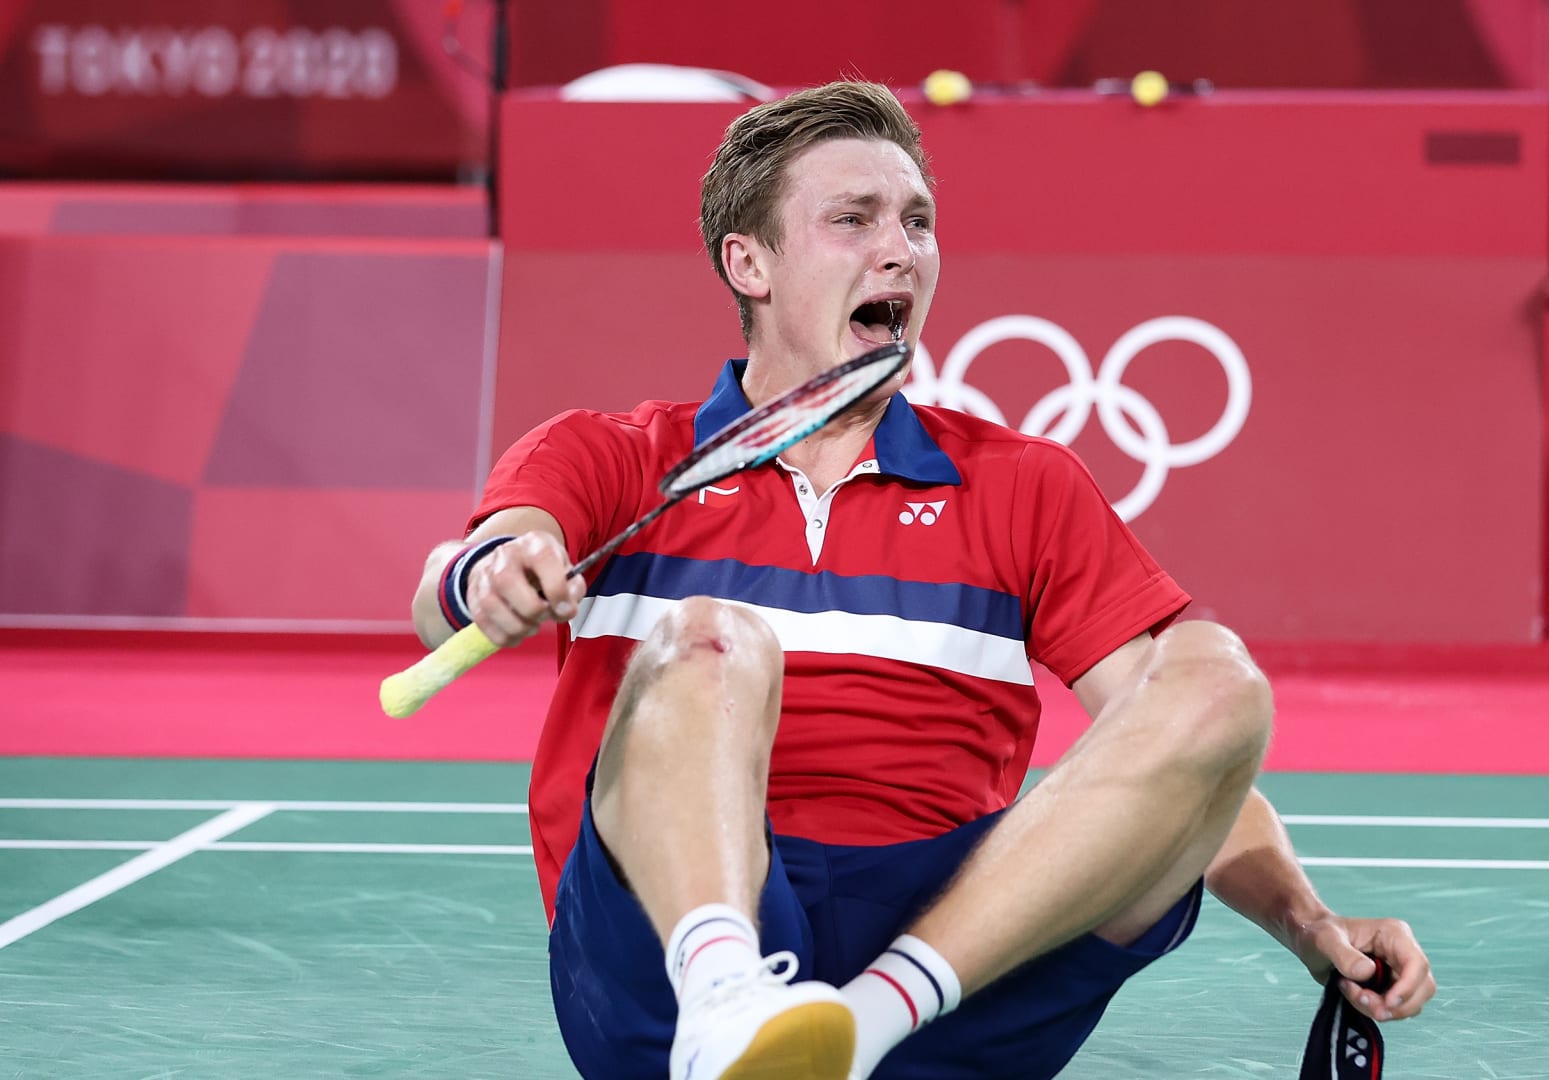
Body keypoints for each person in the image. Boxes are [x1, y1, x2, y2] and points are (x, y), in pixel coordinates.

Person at [408, 80, 1435, 1080]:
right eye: (854, 220)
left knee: (1216, 675)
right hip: (668, 975)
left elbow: (1187, 758)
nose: (901, 249)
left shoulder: (1020, 485)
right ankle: (732, 1014)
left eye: (918, 222)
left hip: (953, 952)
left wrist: (1311, 921)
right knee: (709, 636)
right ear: (749, 262)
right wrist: (496, 572)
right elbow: (461, 573)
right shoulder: (616, 455)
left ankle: (851, 1031)